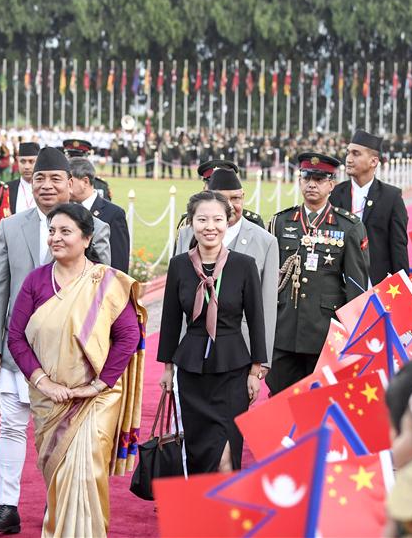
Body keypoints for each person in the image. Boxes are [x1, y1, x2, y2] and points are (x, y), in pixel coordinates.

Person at [0, 147, 111, 534]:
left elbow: (107, 294)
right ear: (29, 183)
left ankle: (61, 505)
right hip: (18, 350)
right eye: (39, 178)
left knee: (63, 434)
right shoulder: (11, 226)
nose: (47, 186)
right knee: (11, 427)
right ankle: (6, 505)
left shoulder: (95, 229)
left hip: (72, 356)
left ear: (70, 183)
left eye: (55, 178)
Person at [7, 203, 144, 537]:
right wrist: (44, 381)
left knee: (85, 472)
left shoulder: (106, 283)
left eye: (65, 231)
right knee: (60, 474)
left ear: (86, 239)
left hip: (96, 399)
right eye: (52, 231)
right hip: (49, 398)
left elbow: (128, 336)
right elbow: (15, 336)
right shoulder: (36, 281)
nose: (56, 238)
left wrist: (99, 385)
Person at [158, 191, 266, 473]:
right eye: (202, 219)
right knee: (198, 450)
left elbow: (256, 319)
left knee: (226, 454)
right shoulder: (180, 265)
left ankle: (226, 514)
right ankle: (201, 512)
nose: (210, 226)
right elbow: (170, 320)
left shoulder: (244, 265)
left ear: (227, 222)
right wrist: (167, 368)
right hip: (192, 371)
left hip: (233, 370)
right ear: (191, 223)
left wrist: (256, 370)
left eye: (218, 219)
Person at [267, 152, 370, 395]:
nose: (312, 184)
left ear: (332, 185)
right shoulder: (281, 222)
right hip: (284, 329)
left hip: (323, 332)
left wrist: (350, 333)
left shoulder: (348, 226)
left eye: (320, 179)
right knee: (280, 397)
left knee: (318, 400)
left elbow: (357, 285)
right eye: (307, 178)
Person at [174, 168, 278, 375]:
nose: (231, 205)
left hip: (241, 350)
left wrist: (262, 360)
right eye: (223, 199)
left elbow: (267, 306)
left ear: (244, 197)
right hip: (191, 348)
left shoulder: (265, 241)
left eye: (236, 198)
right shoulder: (187, 235)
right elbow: (176, 299)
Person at [330, 129, 409, 283]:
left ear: (373, 161)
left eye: (356, 154)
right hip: (339, 283)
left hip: (376, 282)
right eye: (348, 153)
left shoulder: (391, 197)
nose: (348, 159)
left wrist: (403, 286)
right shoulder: (335, 194)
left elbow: (398, 247)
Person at [69, 157, 130, 273]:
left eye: (70, 181)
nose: (66, 186)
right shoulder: (65, 210)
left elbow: (119, 264)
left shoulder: (113, 214)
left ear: (85, 182)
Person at [7, 141, 39, 214]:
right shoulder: (7, 188)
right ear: (17, 161)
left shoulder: (46, 188)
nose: (27, 167)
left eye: (31, 162)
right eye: (23, 161)